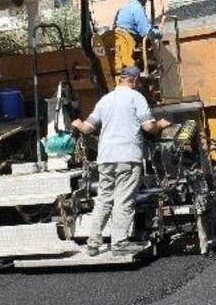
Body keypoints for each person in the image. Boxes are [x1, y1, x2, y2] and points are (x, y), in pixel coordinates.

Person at [71, 66, 171, 256]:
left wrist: (77, 123)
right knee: (123, 200)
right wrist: (161, 124)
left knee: (103, 199)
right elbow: (149, 127)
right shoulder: (136, 98)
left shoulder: (105, 100)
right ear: (135, 80)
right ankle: (119, 243)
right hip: (127, 156)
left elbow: (87, 128)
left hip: (106, 158)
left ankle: (93, 243)